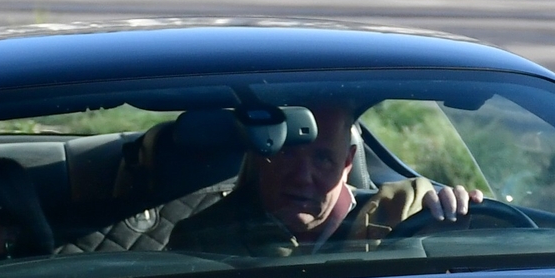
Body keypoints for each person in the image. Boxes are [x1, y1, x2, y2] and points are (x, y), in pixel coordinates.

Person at [172, 106, 480, 254]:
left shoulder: (407, 211)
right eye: (287, 154)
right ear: (258, 156)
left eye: (322, 158)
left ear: (347, 162)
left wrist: (455, 215)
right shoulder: (205, 239)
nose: (302, 178)